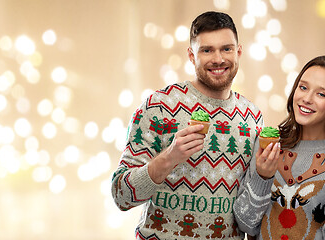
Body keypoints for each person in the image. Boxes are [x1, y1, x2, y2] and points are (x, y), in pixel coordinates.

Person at [111, 11, 264, 239]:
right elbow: (121, 196)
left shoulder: (252, 117)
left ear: (238, 52)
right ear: (192, 56)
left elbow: (251, 212)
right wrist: (170, 157)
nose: (218, 59)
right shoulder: (159, 106)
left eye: (226, 49)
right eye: (207, 50)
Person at [233, 55, 325, 240]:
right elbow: (246, 225)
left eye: (321, 94)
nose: (307, 98)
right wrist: (262, 177)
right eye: (303, 87)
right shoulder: (267, 146)